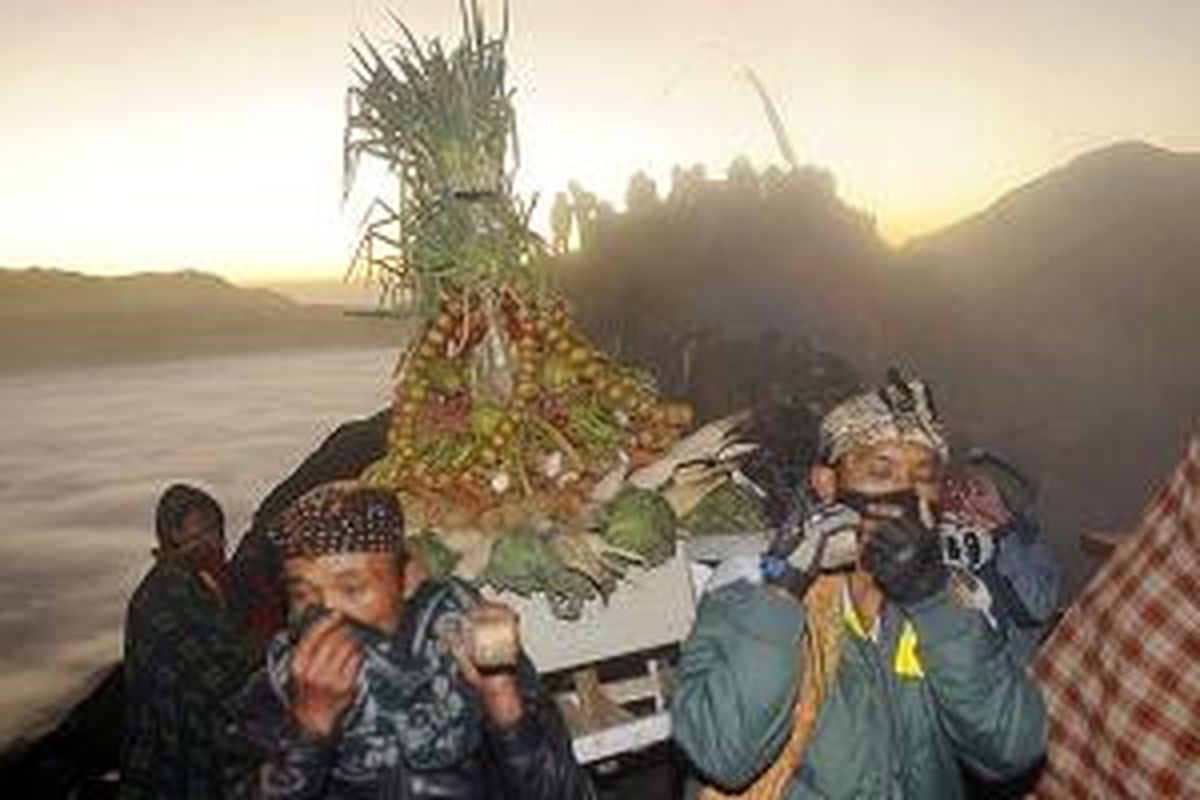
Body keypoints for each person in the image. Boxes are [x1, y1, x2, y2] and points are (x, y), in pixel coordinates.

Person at [671, 370, 1047, 799]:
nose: (904, 495)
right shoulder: (749, 586)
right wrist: (785, 587)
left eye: (923, 476)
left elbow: (1011, 749)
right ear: (827, 484)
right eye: (880, 471)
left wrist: (931, 600)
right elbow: (724, 756)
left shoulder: (954, 598)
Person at [225, 481, 596, 799]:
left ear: (409, 579)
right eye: (304, 595)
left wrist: (502, 700)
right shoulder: (278, 687)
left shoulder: (472, 650)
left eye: (352, 589)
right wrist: (309, 732)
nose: (327, 615)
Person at [120, 483, 253, 799]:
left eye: (216, 529)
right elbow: (221, 682)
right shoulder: (169, 595)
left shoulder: (198, 584)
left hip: (180, 749)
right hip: (176, 756)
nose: (214, 540)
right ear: (172, 535)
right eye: (202, 530)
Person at [939, 451, 1061, 666]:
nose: (963, 498)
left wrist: (1002, 532)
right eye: (956, 489)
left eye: (978, 491)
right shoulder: (936, 540)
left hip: (1002, 675)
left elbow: (1035, 611)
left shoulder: (1032, 549)